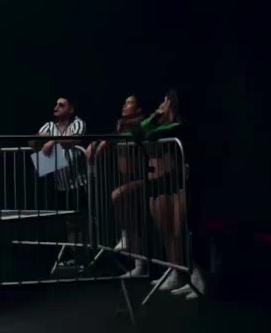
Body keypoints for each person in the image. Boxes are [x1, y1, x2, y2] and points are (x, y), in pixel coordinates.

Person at [134, 89, 204, 299]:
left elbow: (149, 135)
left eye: (165, 101)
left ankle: (197, 275)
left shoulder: (180, 127)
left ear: (172, 104)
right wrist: (155, 117)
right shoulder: (162, 125)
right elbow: (138, 133)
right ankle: (176, 271)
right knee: (167, 231)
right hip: (163, 184)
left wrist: (154, 122)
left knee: (180, 230)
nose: (161, 104)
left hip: (181, 183)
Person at [85, 95, 149, 277]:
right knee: (132, 220)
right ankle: (139, 264)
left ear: (138, 109)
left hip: (145, 177)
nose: (124, 106)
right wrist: (97, 143)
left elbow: (129, 132)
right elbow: (111, 136)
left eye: (129, 103)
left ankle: (126, 238)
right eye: (124, 102)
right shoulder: (121, 126)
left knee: (118, 197)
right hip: (127, 178)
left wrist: (105, 141)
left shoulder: (141, 124)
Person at [35, 96, 87, 268]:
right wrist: (39, 138)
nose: (56, 107)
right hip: (59, 185)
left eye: (61, 105)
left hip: (78, 183)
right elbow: (33, 143)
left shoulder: (77, 123)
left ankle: (85, 257)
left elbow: (74, 140)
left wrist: (53, 140)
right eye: (56, 104)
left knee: (81, 221)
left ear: (70, 109)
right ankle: (75, 257)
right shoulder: (49, 126)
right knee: (68, 223)